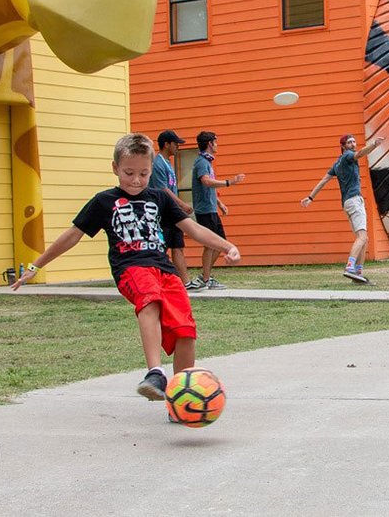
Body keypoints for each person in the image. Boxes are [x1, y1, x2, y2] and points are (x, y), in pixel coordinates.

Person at [12, 133, 238, 400]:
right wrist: (36, 266)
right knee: (149, 300)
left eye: (143, 173)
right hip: (131, 268)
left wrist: (226, 246)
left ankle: (180, 398)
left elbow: (193, 228)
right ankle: (155, 372)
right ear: (115, 168)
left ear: (151, 170)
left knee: (185, 331)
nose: (136, 180)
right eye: (129, 172)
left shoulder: (160, 198)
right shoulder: (104, 201)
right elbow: (72, 235)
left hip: (165, 271)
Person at [300, 133, 371, 282]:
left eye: (354, 141)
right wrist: (374, 145)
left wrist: (310, 197)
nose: (353, 144)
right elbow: (359, 154)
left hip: (347, 203)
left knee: (363, 238)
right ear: (343, 146)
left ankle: (358, 273)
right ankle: (350, 267)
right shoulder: (347, 156)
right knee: (362, 237)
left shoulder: (337, 163)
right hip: (354, 200)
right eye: (349, 142)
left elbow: (324, 180)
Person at [189, 130, 243, 290]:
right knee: (210, 244)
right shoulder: (201, 162)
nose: (217, 144)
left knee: (220, 244)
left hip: (211, 208)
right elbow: (206, 182)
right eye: (216, 141)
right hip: (204, 210)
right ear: (210, 144)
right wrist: (230, 182)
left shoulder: (207, 162)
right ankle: (204, 279)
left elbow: (208, 186)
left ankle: (205, 277)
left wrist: (220, 203)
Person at [148, 130, 197, 285]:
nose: (177, 147)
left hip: (172, 211)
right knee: (160, 248)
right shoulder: (157, 163)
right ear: (167, 144)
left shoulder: (167, 163)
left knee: (178, 246)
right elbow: (163, 189)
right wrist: (182, 204)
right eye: (176, 144)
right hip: (163, 212)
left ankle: (185, 282)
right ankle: (153, 279)